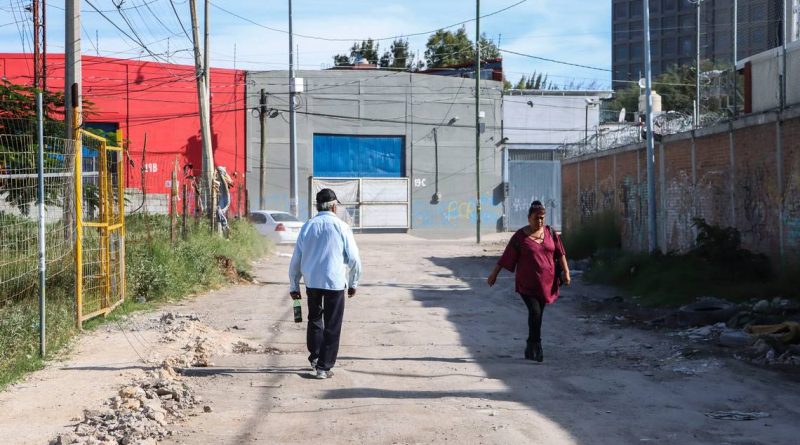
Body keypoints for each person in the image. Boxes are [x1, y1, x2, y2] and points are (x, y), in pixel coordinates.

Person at [289, 188, 362, 379]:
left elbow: (296, 258)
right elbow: (354, 259)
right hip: (335, 282)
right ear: (334, 206)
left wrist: (294, 285)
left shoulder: (307, 226)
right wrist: (354, 282)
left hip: (312, 282)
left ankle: (315, 359)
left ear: (317, 206)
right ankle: (324, 367)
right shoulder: (342, 227)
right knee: (332, 324)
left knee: (314, 320)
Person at [486, 200, 570, 362]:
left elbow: (560, 253)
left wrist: (566, 272)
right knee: (535, 312)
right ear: (529, 218)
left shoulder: (551, 233)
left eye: (542, 218)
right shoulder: (520, 237)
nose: (540, 221)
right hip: (527, 283)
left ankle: (530, 345)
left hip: (547, 283)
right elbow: (507, 256)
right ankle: (537, 346)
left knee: (538, 316)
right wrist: (494, 274)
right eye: (536, 218)